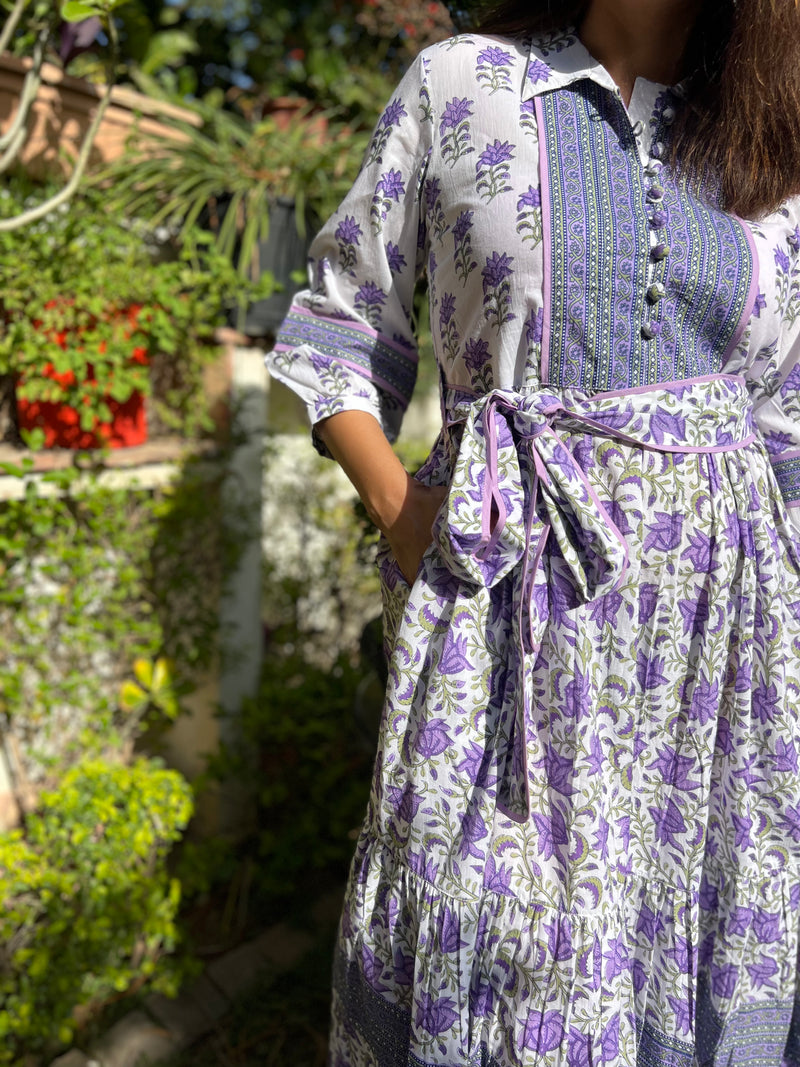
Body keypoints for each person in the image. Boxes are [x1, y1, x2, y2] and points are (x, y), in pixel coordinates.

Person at [267, 0, 800, 1062]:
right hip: (505, 622)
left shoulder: (774, 135)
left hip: (716, 654)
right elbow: (337, 325)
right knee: (490, 950)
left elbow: (786, 425)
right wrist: (401, 514)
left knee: (690, 953)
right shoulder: (463, 81)